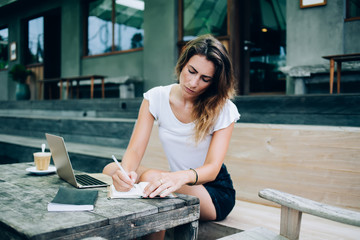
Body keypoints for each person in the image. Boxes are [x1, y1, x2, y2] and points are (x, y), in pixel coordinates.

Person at [103, 34, 240, 239]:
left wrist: (177, 176)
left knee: (152, 179)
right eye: (191, 71)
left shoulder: (223, 108)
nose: (193, 83)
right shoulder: (155, 97)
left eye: (205, 79)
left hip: (212, 192)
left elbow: (212, 169)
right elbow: (135, 149)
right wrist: (127, 173)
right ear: (183, 64)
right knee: (113, 170)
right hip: (176, 181)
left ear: (214, 82)